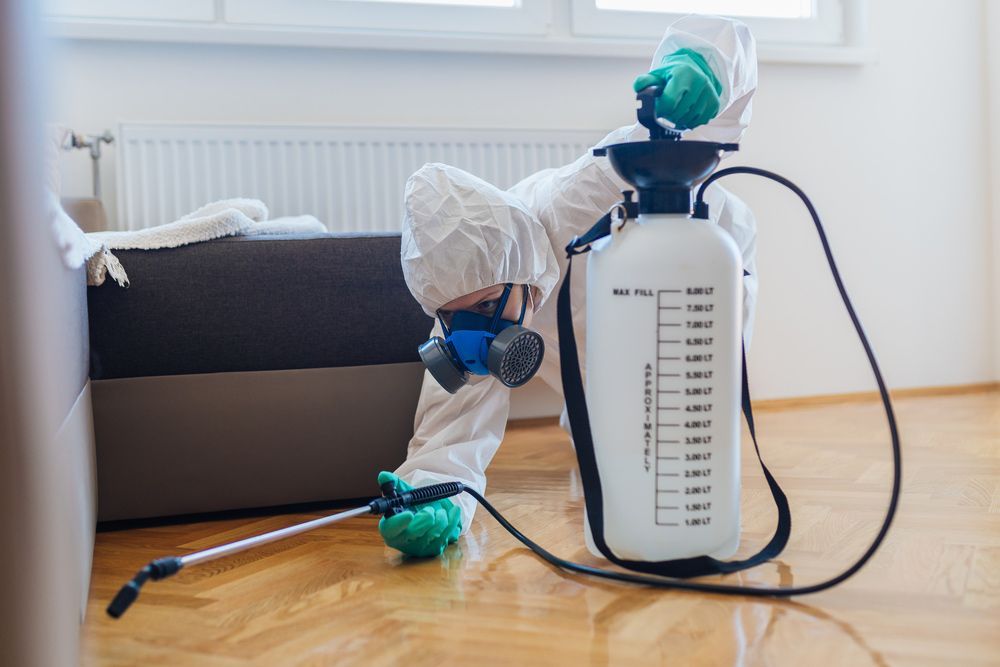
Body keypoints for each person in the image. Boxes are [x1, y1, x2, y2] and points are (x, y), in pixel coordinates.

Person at [378, 14, 760, 558]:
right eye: (455, 316)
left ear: (517, 273)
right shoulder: (464, 292)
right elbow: (447, 439)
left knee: (695, 419)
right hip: (601, 335)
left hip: (703, 260)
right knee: (613, 459)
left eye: (487, 305)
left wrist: (702, 63)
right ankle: (601, 430)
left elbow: (663, 142)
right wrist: (431, 499)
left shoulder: (565, 210)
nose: (475, 336)